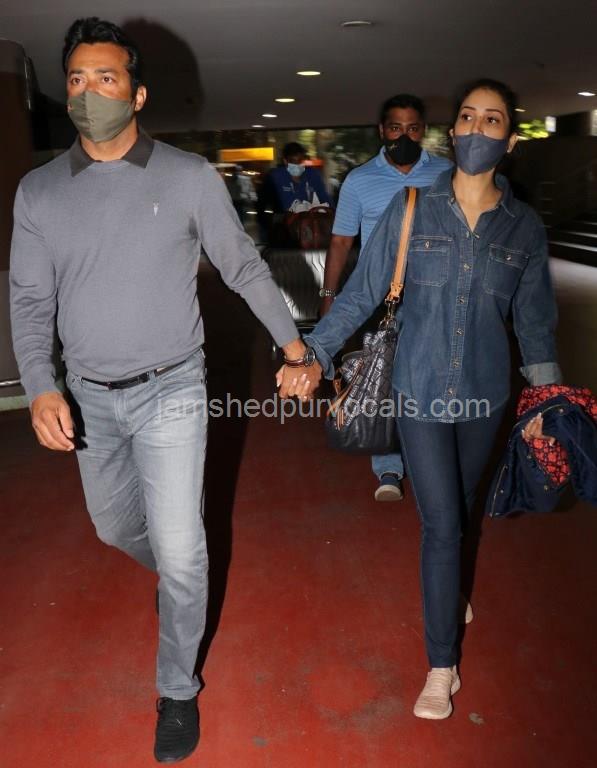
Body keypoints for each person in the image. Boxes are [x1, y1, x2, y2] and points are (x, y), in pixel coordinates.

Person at [9, 17, 310, 764]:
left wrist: (295, 345)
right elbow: (30, 302)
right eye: (77, 80)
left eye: (106, 78)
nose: (89, 93)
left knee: (182, 551)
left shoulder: (186, 177)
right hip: (89, 397)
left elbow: (242, 266)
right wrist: (41, 386)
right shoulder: (39, 192)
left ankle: (177, 689)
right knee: (115, 529)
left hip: (172, 387)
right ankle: (180, 580)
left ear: (137, 94)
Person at [281, 78, 561, 719]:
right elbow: (360, 292)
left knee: (460, 508)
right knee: (440, 525)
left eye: (492, 120)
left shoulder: (523, 228)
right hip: (419, 389)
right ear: (452, 131)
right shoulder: (412, 208)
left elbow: (536, 324)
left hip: (485, 395)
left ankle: (450, 586)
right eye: (467, 117)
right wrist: (314, 352)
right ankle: (442, 666)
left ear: (510, 141)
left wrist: (546, 402)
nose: (476, 129)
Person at [319, 95, 452, 503]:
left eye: (413, 128)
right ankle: (389, 466)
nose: (404, 137)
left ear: (423, 131)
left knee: (432, 377)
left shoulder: (446, 174)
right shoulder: (360, 180)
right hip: (380, 295)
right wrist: (329, 297)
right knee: (384, 377)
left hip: (435, 293)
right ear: (382, 131)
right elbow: (341, 242)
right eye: (396, 128)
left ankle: (431, 459)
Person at [257, 141, 331, 244]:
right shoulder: (275, 177)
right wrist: (268, 228)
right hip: (283, 230)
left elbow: (326, 199)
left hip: (308, 227)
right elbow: (261, 205)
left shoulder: (312, 176)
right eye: (293, 161)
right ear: (285, 161)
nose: (296, 165)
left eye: (299, 161)